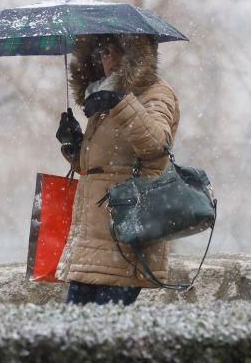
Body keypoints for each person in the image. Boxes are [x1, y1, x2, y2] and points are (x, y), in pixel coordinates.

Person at [54, 33, 180, 305]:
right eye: (104, 52)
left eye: (117, 51)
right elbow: (101, 167)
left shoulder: (156, 94)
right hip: (92, 240)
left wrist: (120, 103)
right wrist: (73, 145)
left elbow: (156, 147)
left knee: (97, 337)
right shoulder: (102, 95)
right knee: (72, 334)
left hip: (125, 239)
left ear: (136, 54)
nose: (109, 59)